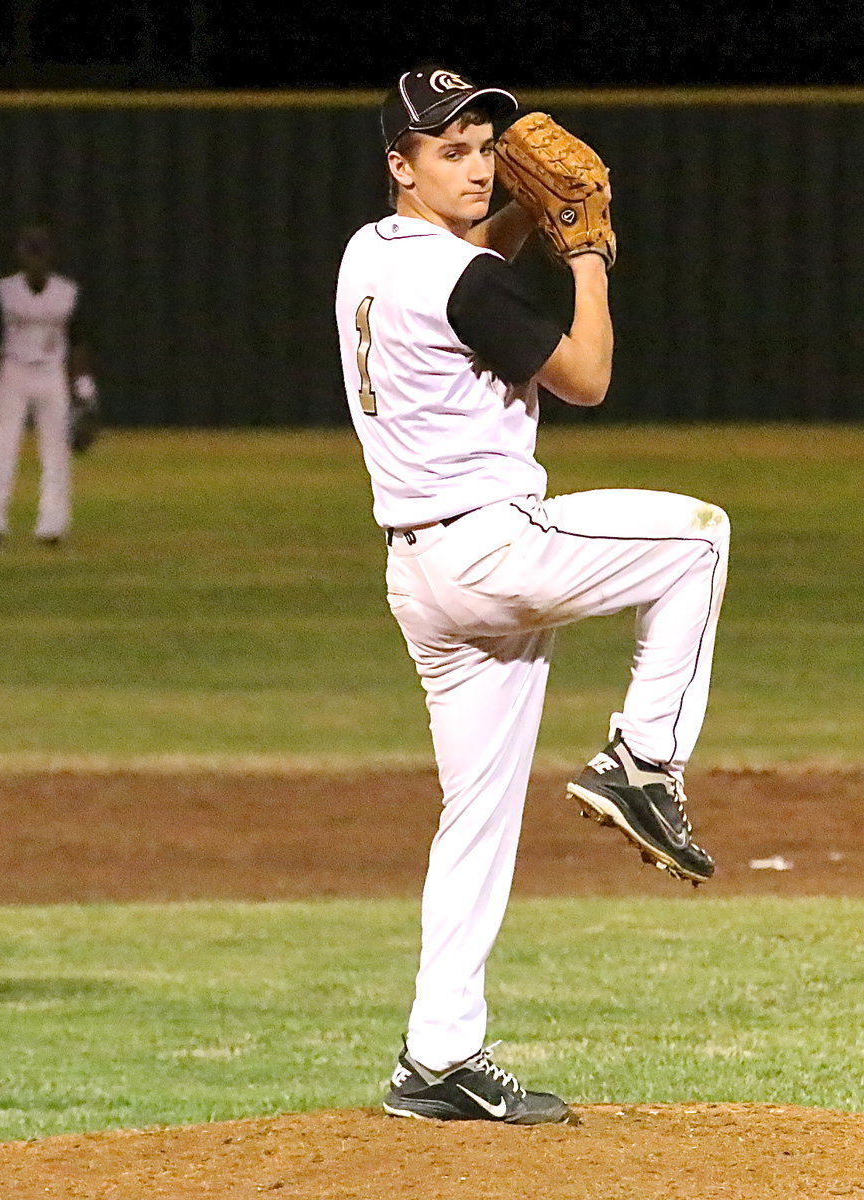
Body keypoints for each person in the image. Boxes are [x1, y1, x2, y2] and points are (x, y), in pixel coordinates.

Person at [334, 66, 730, 1126]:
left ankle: (437, 1056)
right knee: (696, 539)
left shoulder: (371, 253)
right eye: (448, 151)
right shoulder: (461, 281)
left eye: (480, 146)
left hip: (420, 578)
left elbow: (472, 282)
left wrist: (514, 211)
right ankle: (643, 763)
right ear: (399, 165)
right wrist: (586, 253)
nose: (472, 165)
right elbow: (586, 376)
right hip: (493, 550)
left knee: (475, 816)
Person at [0, 221, 97, 549]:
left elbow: (78, 343)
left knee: (56, 450)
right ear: (21, 255)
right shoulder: (4, 291)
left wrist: (85, 393)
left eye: (41, 254)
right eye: (30, 254)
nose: (36, 261)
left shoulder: (67, 292)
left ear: (50, 257)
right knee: (1, 447)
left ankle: (52, 525)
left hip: (51, 373)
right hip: (13, 372)